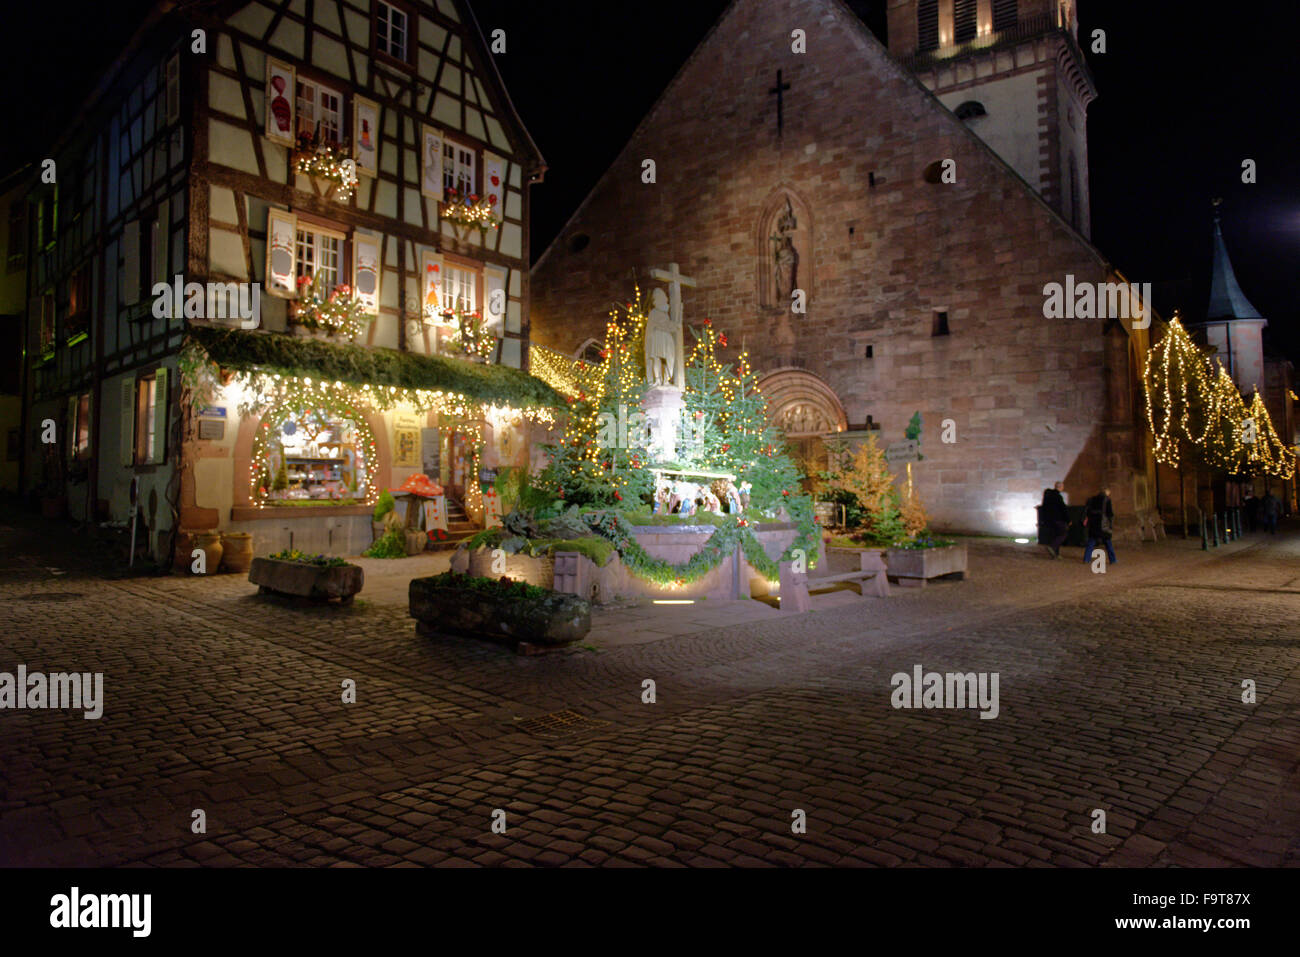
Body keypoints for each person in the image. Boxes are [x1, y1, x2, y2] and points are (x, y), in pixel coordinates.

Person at [1083, 486, 1117, 565]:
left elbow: (1088, 511)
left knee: (1091, 542)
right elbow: (1110, 514)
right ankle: (1113, 560)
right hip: (1103, 525)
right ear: (1107, 492)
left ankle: (1086, 559)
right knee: (1108, 542)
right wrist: (1111, 524)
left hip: (1093, 524)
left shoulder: (1092, 499)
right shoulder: (1106, 500)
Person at [1040, 481, 1070, 558]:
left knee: (1055, 535)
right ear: (1060, 487)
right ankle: (1052, 547)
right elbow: (1063, 509)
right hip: (1058, 519)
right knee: (1063, 534)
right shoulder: (1058, 496)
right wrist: (1068, 520)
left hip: (1049, 519)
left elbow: (1044, 508)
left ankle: (1055, 554)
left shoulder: (1048, 496)